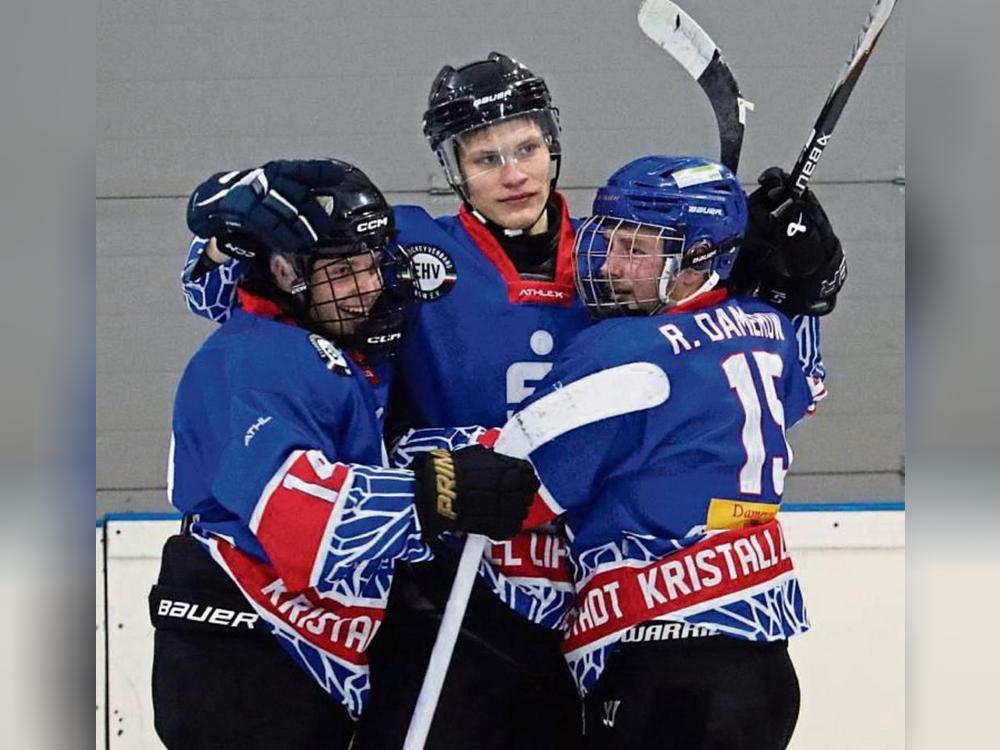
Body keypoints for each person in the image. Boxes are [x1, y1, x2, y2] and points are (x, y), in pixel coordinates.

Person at [176, 53, 844, 748]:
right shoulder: (409, 247)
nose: (514, 173)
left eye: (526, 147)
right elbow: (247, 301)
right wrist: (237, 249)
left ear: (552, 145)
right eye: (486, 157)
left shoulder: (625, 256)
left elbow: (748, 386)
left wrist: (798, 287)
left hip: (581, 602)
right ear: (453, 168)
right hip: (450, 582)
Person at [150, 158, 538, 749]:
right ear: (283, 271)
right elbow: (297, 516)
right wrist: (437, 492)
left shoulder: (330, 347)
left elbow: (369, 461)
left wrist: (490, 450)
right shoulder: (255, 360)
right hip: (242, 645)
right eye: (342, 271)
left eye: (371, 264)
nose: (366, 285)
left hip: (307, 657)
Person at [500, 154, 819, 749]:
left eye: (639, 250)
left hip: (665, 660)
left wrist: (431, 452)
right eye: (610, 242)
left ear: (700, 258)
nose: (612, 266)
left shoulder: (620, 349)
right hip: (765, 667)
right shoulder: (768, 325)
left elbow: (519, 489)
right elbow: (808, 393)